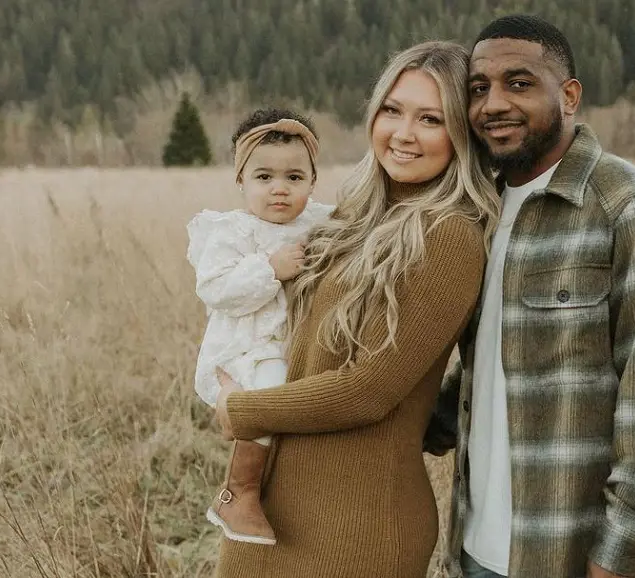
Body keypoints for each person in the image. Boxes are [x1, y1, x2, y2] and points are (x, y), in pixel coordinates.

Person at [210, 40, 501, 578]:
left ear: (462, 133)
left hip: (355, 529)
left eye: (430, 119)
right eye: (392, 110)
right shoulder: (353, 217)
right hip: (273, 511)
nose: (403, 133)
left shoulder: (449, 236)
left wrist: (242, 411)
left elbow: (369, 389)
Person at [424, 14, 635, 578]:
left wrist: (623, 556)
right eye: (479, 88)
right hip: (473, 548)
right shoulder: (482, 211)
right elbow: (485, 372)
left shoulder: (634, 209)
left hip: (569, 556)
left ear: (569, 95)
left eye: (518, 83)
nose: (492, 104)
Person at [186, 108, 334, 546]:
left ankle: (293, 498)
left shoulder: (323, 222)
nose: (280, 190)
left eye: (294, 178)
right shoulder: (231, 231)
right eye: (264, 177)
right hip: (247, 350)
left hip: (297, 343)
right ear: (241, 181)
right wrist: (270, 269)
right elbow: (216, 289)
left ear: (312, 181)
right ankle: (240, 493)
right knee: (271, 392)